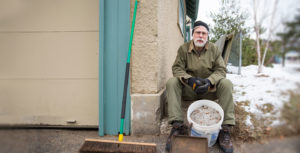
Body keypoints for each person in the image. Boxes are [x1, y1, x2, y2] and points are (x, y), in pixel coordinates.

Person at [165, 20, 235, 153]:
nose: (201, 36)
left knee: (226, 83)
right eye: (198, 33)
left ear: (207, 36)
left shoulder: (214, 49)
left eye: (204, 33)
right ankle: (177, 126)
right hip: (189, 89)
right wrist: (190, 80)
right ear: (193, 34)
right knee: (171, 82)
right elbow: (177, 68)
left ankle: (225, 130)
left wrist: (209, 81)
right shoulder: (183, 49)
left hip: (209, 90)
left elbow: (221, 70)